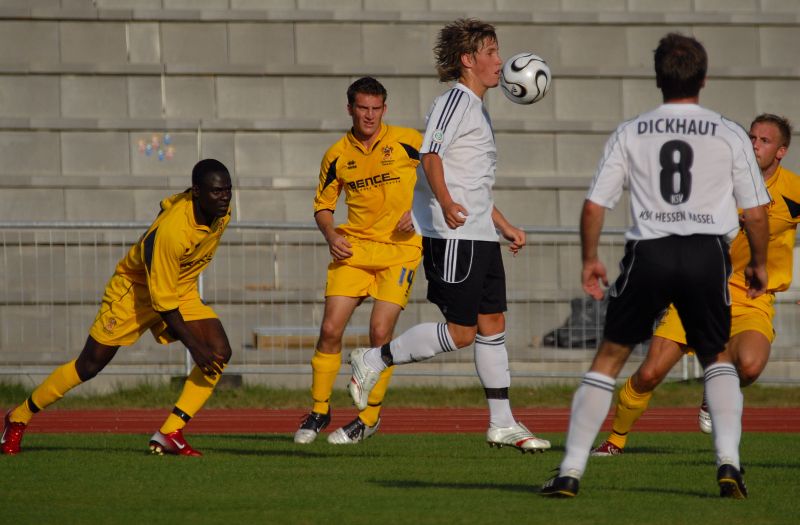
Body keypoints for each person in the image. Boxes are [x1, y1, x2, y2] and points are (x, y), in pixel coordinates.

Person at [540, 33, 770, 498]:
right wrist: (759, 263)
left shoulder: (632, 131)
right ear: (703, 79)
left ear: (658, 79)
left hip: (651, 250)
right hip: (707, 252)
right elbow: (756, 213)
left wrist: (590, 259)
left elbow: (594, 206)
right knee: (716, 357)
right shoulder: (728, 132)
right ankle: (729, 463)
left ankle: (570, 471)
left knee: (610, 358)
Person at [346, 18, 550, 453]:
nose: (500, 61)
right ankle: (374, 358)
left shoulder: (477, 108)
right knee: (461, 332)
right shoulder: (455, 101)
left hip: (479, 234)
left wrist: (503, 224)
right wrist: (445, 200)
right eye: (491, 53)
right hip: (453, 236)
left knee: (493, 324)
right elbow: (431, 155)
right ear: (468, 60)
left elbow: (470, 183)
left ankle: (502, 423)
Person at [592, 114, 798, 456]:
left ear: (781, 151)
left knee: (750, 366)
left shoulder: (793, 190)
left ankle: (712, 387)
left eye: (764, 141)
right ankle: (615, 439)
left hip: (751, 298)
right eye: (751, 137)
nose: (754, 145)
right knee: (650, 374)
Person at [1, 159, 234, 457]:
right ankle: (18, 417)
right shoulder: (172, 232)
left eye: (228, 189)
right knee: (89, 365)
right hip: (133, 293)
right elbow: (163, 302)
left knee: (218, 351)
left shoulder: (221, 213)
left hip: (178, 288)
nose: (224, 197)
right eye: (217, 191)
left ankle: (169, 432)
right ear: (197, 192)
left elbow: (170, 212)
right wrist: (194, 348)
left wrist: (200, 346)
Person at [293, 76, 423, 445]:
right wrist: (331, 235)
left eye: (376, 108)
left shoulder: (409, 141)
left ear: (385, 109)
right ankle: (319, 410)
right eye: (362, 108)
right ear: (350, 108)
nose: (369, 115)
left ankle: (368, 418)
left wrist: (420, 212)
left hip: (400, 251)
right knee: (330, 329)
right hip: (353, 251)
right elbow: (323, 206)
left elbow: (443, 178)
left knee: (380, 333)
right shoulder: (336, 154)